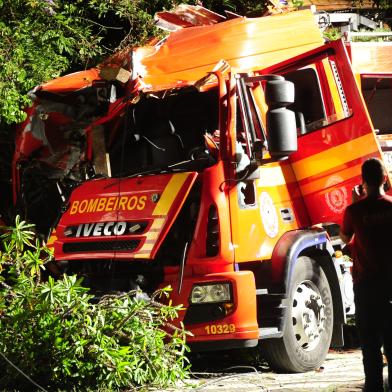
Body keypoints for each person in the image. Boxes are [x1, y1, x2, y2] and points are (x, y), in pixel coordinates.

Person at [340, 157, 392, 392]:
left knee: (370, 345)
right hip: (390, 285)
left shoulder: (354, 211)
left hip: (366, 286)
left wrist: (356, 202)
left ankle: (374, 387)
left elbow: (344, 238)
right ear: (385, 179)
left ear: (362, 182)